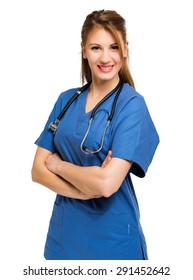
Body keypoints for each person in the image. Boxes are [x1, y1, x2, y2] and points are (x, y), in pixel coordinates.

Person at [31, 9, 159, 260]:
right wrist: (83, 190)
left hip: (113, 243)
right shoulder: (66, 100)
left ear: (125, 49)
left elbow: (107, 184)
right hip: (64, 240)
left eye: (113, 46)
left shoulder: (131, 105)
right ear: (83, 50)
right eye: (96, 47)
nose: (105, 57)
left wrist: (57, 165)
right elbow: (37, 171)